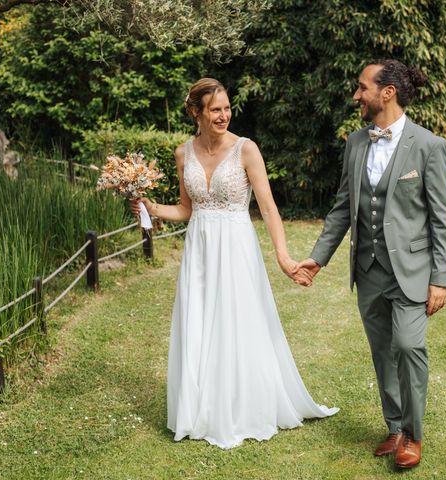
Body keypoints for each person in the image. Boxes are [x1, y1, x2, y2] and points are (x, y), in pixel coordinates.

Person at [130, 78, 337, 449]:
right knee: (199, 321)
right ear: (196, 112)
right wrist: (150, 207)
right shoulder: (183, 153)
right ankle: (201, 409)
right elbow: (186, 208)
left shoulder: (246, 149)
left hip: (237, 246)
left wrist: (283, 256)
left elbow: (269, 207)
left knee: (237, 322)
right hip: (199, 250)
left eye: (226, 108)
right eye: (215, 109)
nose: (223, 115)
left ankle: (242, 408)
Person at [297, 59, 446, 469]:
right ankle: (395, 428)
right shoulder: (355, 143)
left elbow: (441, 218)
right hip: (367, 269)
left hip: (412, 271)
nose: (356, 95)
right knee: (382, 352)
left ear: (387, 93)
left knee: (408, 345)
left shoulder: (428, 146)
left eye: (362, 87)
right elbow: (341, 209)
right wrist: (318, 258)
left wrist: (441, 278)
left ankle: (414, 435)